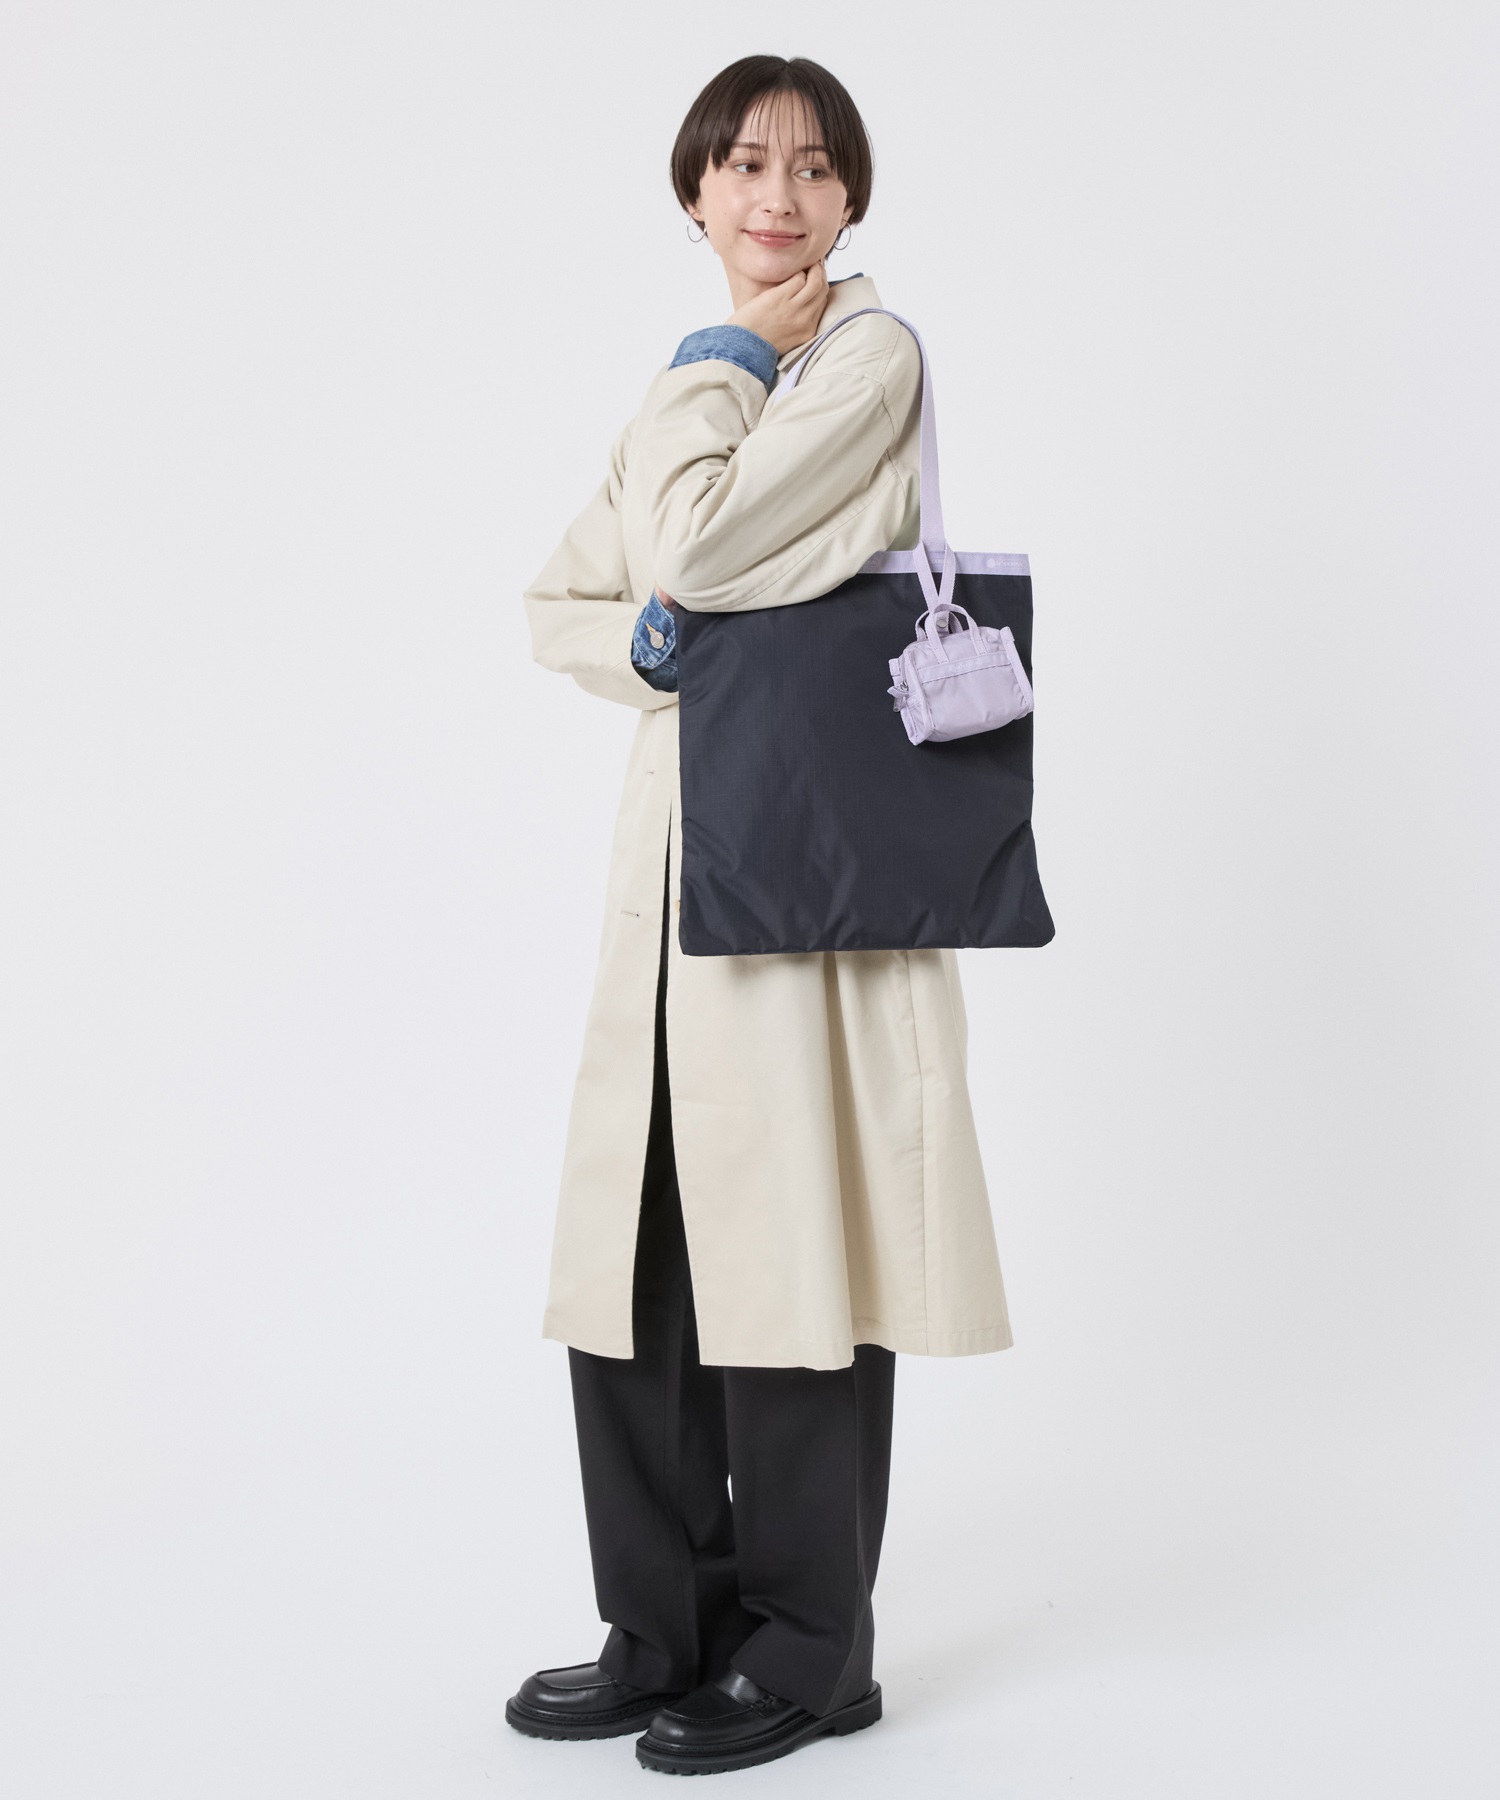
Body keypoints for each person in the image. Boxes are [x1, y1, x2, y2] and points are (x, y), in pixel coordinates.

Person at [508, 54, 1012, 1777]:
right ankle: (665, 1628)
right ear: (695, 195)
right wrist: (660, 637)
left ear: (852, 195)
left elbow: (701, 550)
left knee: (793, 1250)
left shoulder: (863, 358)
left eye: (808, 165)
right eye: (740, 164)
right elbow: (565, 599)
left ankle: (809, 1651)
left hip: (804, 879)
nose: (775, 196)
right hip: (673, 875)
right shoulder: (696, 373)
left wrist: (716, 387)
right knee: (641, 1250)